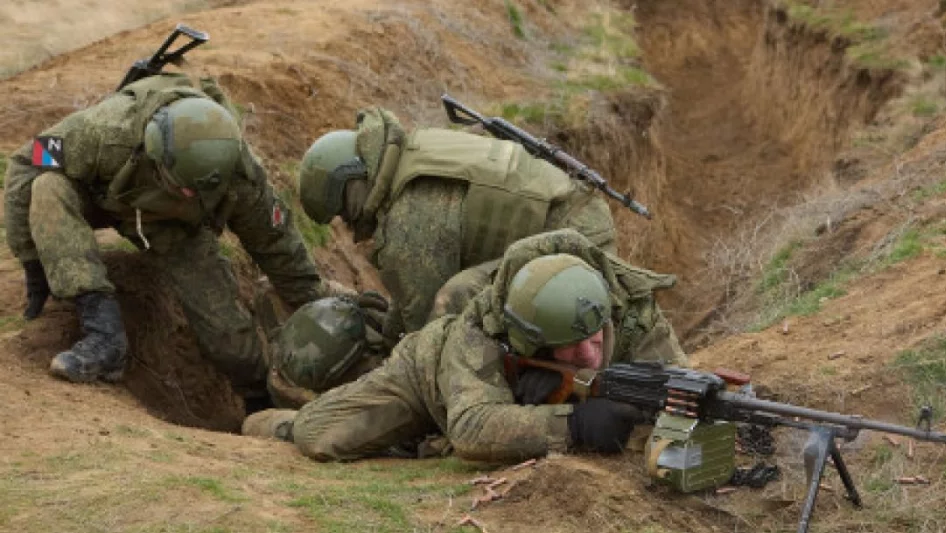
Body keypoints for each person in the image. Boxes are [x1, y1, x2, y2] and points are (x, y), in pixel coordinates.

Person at [3, 73, 326, 400]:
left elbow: (276, 242)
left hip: (176, 230)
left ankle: (260, 397)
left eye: (195, 191)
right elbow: (25, 162)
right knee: (47, 185)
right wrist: (32, 259)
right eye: (182, 187)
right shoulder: (101, 134)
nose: (187, 193)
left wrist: (314, 304)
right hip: (104, 197)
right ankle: (104, 337)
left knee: (228, 339)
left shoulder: (239, 174)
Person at [243, 228, 686, 463]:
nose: (590, 355)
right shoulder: (482, 327)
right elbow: (473, 428)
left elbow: (679, 382)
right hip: (427, 381)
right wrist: (575, 425)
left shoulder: (633, 309)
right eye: (571, 348)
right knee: (318, 437)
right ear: (527, 339)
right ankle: (270, 421)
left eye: (595, 339)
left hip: (487, 398)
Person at [296, 107, 618, 343]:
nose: (348, 224)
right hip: (576, 212)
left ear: (352, 183)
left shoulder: (409, 219)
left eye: (342, 211)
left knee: (454, 299)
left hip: (575, 242)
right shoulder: (413, 150)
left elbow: (424, 325)